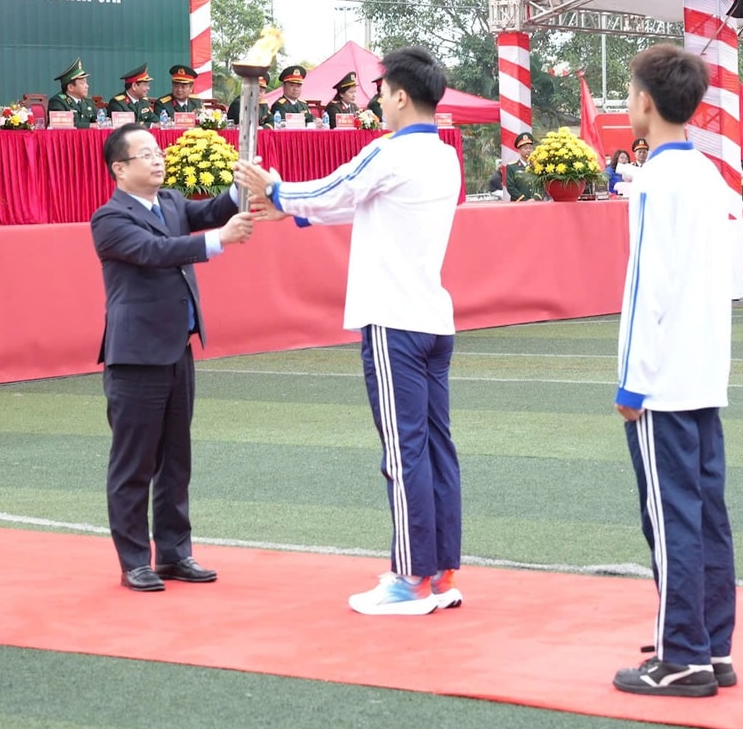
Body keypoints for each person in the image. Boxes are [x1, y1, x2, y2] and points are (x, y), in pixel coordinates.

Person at [234, 46, 465, 616]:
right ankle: (440, 573)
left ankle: (410, 578)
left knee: (403, 450)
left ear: (401, 96)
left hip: (393, 321)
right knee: (435, 448)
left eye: (381, 94)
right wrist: (290, 206)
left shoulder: (388, 152)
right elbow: (352, 202)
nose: (378, 104)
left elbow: (338, 188)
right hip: (433, 320)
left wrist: (277, 189)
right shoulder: (444, 156)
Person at [609, 43, 738, 698]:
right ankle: (711, 644)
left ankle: (682, 651)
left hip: (664, 380)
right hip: (704, 370)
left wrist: (632, 381)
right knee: (705, 514)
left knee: (671, 519)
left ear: (646, 103)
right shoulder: (711, 178)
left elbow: (645, 290)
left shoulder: (655, 181)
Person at [91, 125, 253, 591]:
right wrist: (220, 240)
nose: (158, 161)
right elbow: (156, 252)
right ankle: (134, 560)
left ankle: (175, 552)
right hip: (136, 357)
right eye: (145, 155)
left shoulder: (172, 202)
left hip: (178, 350)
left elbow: (215, 210)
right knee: (134, 463)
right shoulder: (109, 218)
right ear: (120, 168)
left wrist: (243, 185)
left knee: (176, 459)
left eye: (157, 152)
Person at [489, 132, 541, 202]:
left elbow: (541, 185)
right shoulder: (512, 167)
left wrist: (535, 198)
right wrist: (524, 200)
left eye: (530, 148)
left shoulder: (537, 166)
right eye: (525, 148)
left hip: (536, 203)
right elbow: (510, 187)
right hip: (518, 203)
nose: (528, 150)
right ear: (519, 150)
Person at [47, 60, 99, 128]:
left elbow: (98, 121)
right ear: (70, 87)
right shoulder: (57, 102)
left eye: (86, 83)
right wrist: (90, 125)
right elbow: (62, 125)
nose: (87, 86)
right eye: (82, 83)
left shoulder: (88, 102)